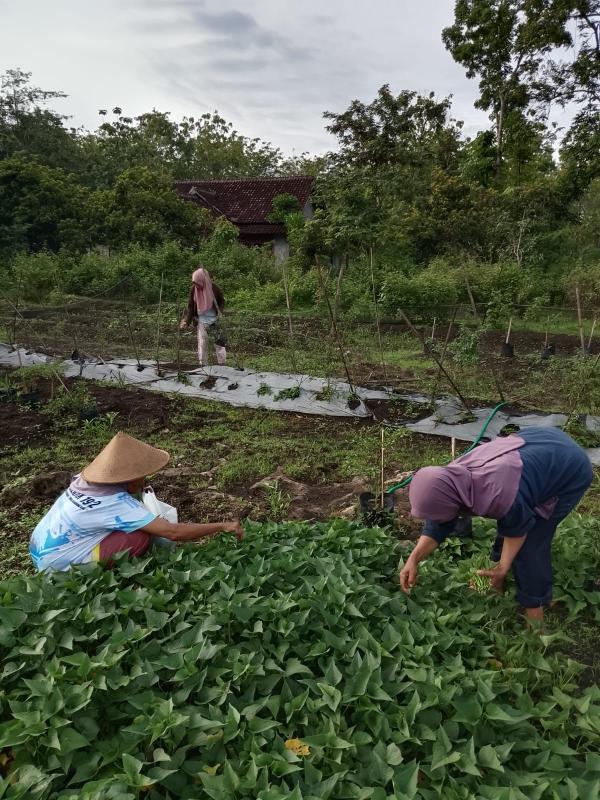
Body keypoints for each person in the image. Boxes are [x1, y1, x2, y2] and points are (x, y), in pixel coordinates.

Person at [399, 427, 593, 624]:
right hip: (541, 443)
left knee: (530, 545)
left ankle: (536, 619)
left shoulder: (499, 494)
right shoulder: (448, 481)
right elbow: (439, 522)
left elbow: (517, 529)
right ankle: (495, 584)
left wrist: (503, 566)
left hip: (569, 468)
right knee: (513, 520)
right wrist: (414, 559)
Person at [29, 432, 242, 571]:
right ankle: (105, 575)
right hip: (58, 569)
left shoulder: (82, 482)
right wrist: (222, 526)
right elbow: (173, 532)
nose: (144, 480)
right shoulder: (115, 502)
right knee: (140, 536)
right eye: (142, 476)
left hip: (40, 552)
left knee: (141, 525)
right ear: (129, 478)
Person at [180, 267, 226, 367]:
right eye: (194, 282)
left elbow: (221, 301)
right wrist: (186, 321)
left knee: (219, 343)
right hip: (201, 321)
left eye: (197, 282)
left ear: (203, 280)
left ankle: (222, 364)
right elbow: (191, 306)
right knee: (202, 344)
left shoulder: (214, 288)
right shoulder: (194, 290)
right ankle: (203, 366)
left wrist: (220, 311)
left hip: (214, 320)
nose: (196, 285)